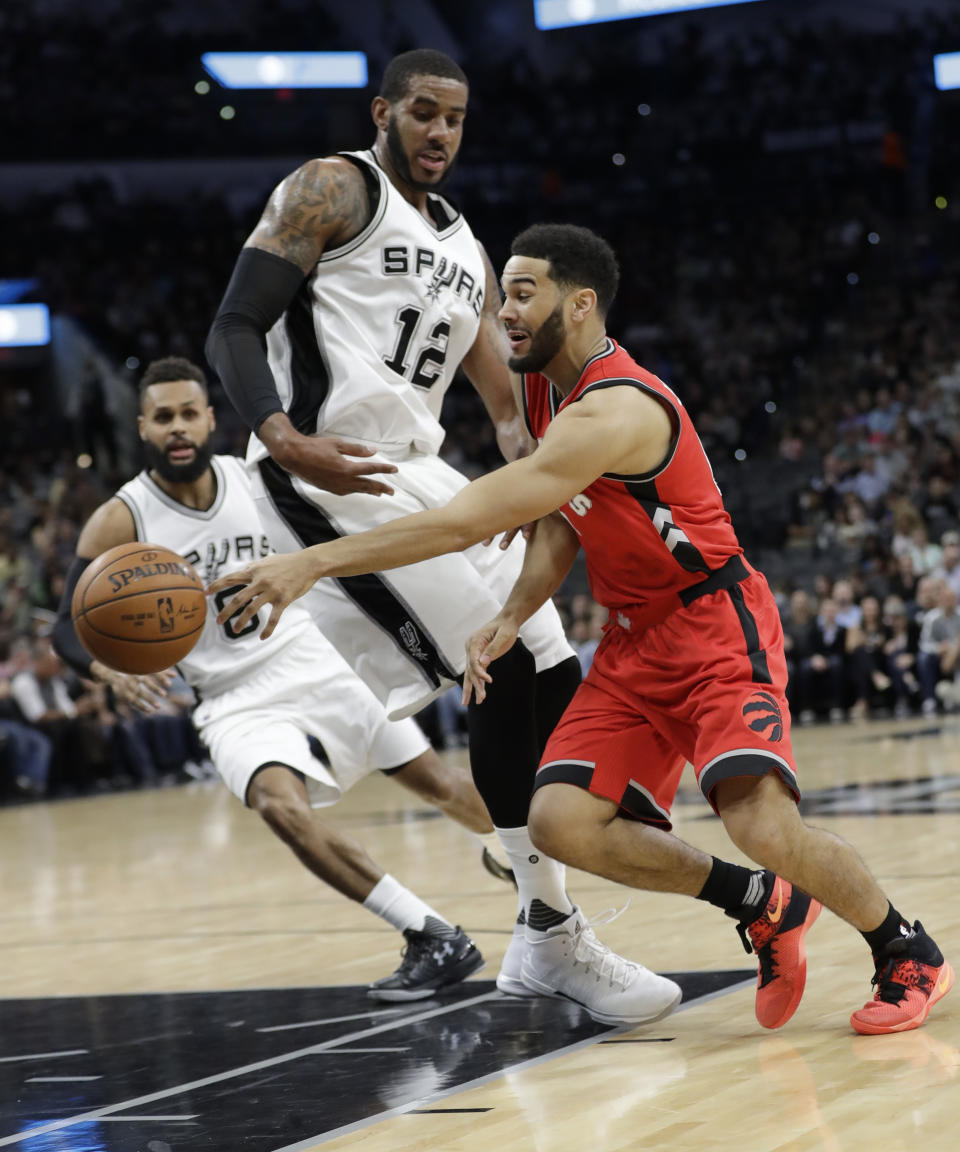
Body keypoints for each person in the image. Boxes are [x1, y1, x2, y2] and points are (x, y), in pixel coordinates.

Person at [213, 224, 954, 1036]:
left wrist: (312, 562)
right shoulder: (546, 387)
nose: (505, 316)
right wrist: (510, 614)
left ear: (583, 301)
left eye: (523, 294)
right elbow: (564, 522)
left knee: (761, 823)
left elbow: (468, 521)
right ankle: (766, 907)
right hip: (635, 641)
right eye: (503, 299)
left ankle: (904, 947)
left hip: (713, 624)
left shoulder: (615, 408)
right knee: (560, 823)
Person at [206, 49, 677, 1025]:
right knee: (516, 669)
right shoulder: (334, 187)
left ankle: (530, 879)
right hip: (328, 466)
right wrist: (284, 436)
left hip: (422, 468)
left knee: (546, 651)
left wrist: (544, 482)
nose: (440, 134)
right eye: (423, 113)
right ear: (384, 110)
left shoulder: (467, 244)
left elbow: (503, 408)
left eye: (456, 120)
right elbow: (233, 328)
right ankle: (548, 922)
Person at [52, 355, 501, 1002]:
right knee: (278, 806)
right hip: (231, 698)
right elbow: (67, 626)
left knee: (441, 784)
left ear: (209, 418)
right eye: (162, 418)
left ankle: (540, 877)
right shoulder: (123, 519)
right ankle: (430, 934)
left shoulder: (256, 479)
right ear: (143, 427)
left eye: (188, 413)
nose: (177, 428)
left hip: (311, 657)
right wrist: (106, 670)